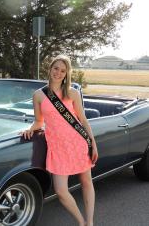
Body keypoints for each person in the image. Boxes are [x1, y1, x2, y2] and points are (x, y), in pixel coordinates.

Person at [21, 55, 98, 226]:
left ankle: (90, 222)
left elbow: (83, 120)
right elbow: (39, 121)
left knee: (86, 181)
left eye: (63, 70)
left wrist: (93, 143)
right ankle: (80, 221)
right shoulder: (39, 95)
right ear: (50, 68)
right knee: (61, 191)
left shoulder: (72, 93)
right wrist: (30, 129)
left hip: (78, 142)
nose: (58, 73)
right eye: (56, 68)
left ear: (66, 74)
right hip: (57, 146)